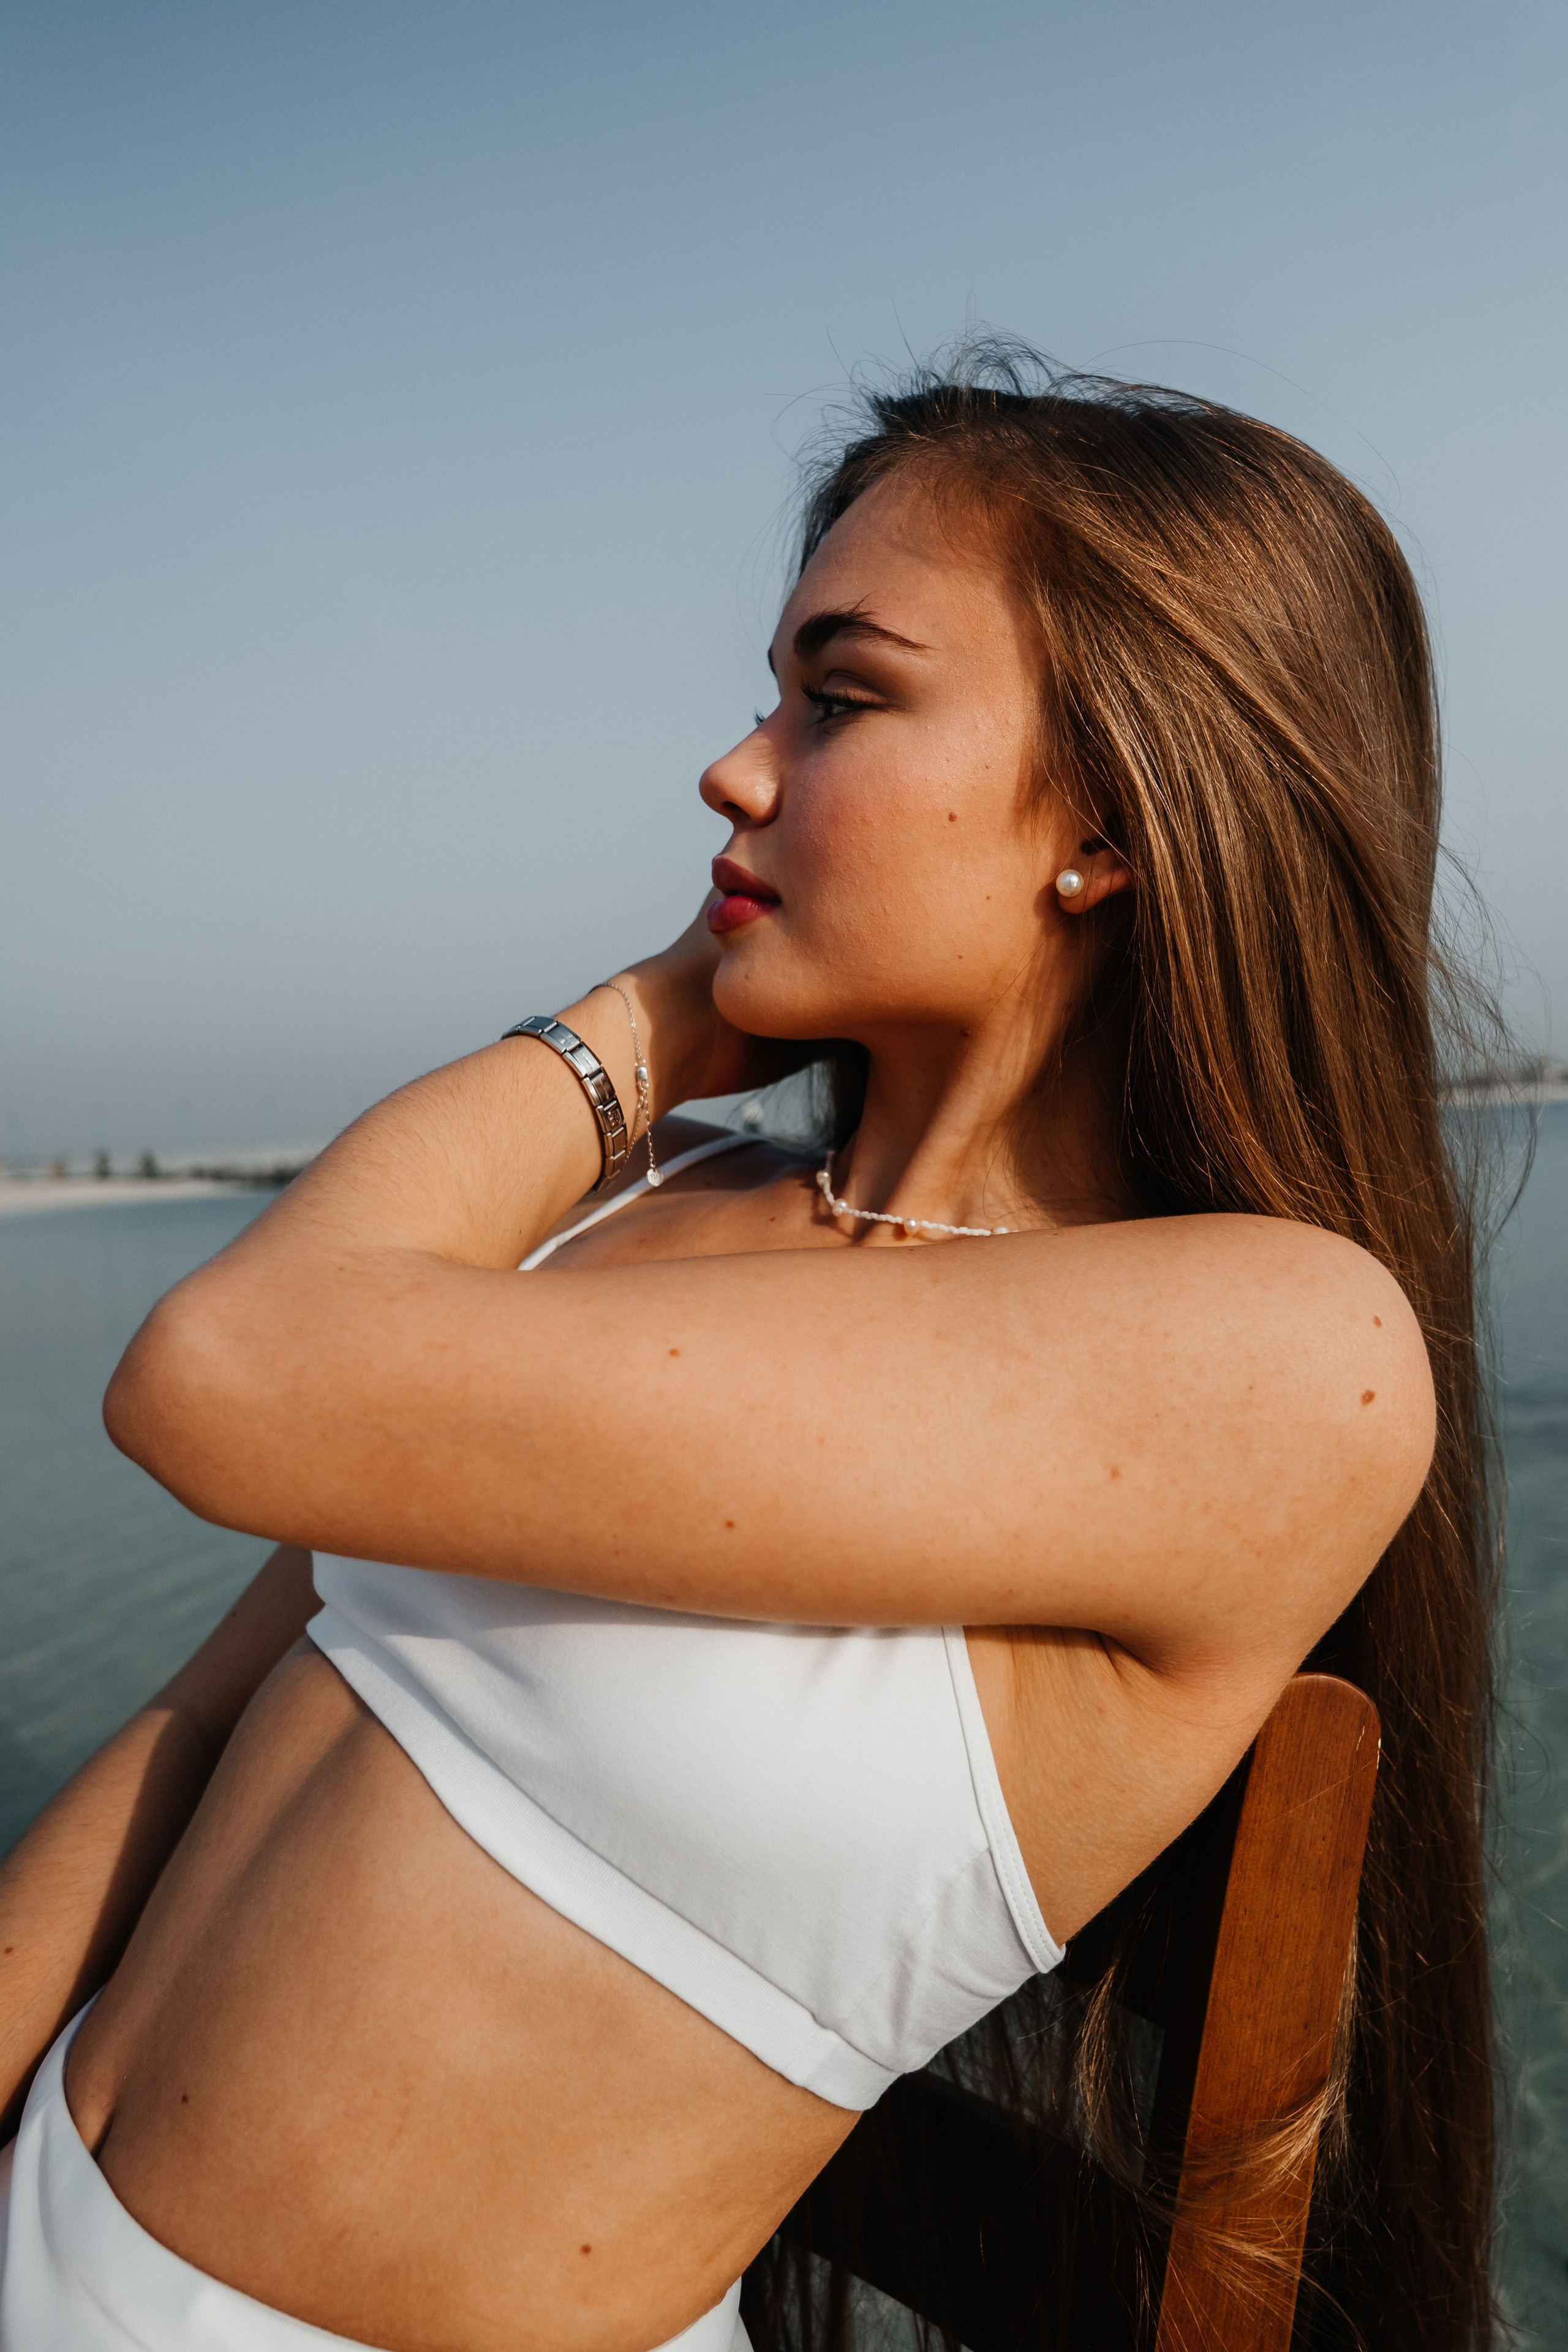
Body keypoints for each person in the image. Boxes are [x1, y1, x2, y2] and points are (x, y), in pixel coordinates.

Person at [0, 347, 1497, 2352]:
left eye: (843, 696)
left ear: (1118, 822)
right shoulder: (661, 1203)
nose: (735, 767)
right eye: (774, 691)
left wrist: (648, 1010)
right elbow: (201, 1729)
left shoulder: (1282, 1352)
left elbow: (214, 1372)